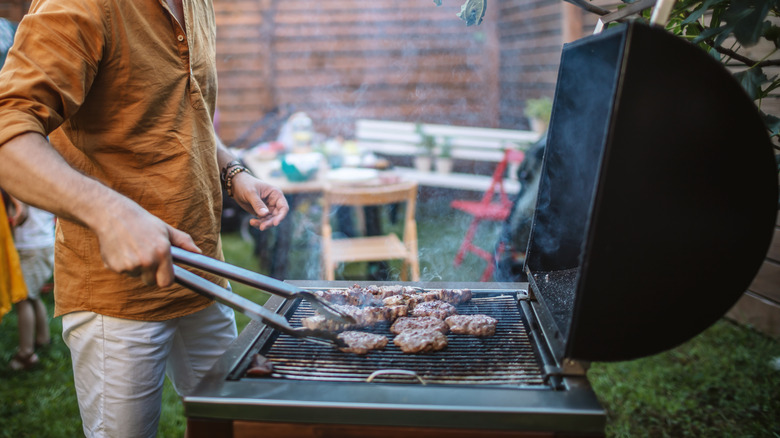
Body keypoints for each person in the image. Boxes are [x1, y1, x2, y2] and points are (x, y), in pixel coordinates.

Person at [0, 0, 289, 436]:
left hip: (204, 272)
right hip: (119, 291)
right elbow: (8, 129)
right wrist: (109, 212)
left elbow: (183, 113)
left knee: (236, 426)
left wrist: (233, 171)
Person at [7, 194, 55, 371]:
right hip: (40, 244)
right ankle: (43, 339)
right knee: (32, 297)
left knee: (23, 299)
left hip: (32, 247)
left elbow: (21, 214)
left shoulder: (23, 179)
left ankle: (26, 354)